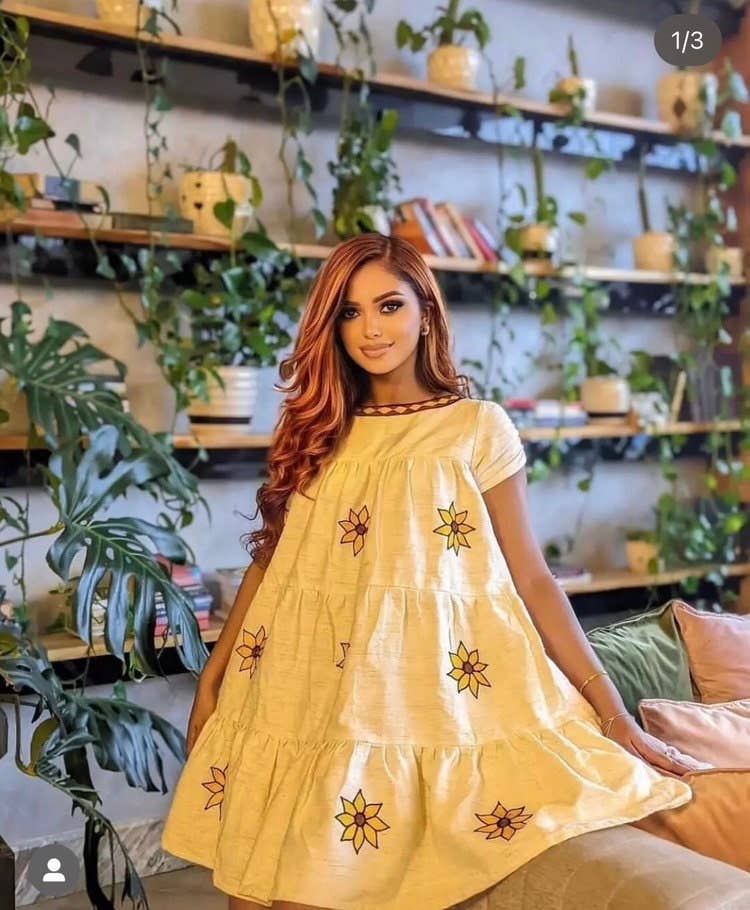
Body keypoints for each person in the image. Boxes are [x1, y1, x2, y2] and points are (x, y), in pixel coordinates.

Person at [161, 233, 706, 910]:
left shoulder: (476, 428)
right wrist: (212, 679)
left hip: (412, 694)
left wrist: (613, 712)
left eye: (389, 305)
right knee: (254, 886)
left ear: (426, 312)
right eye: (350, 312)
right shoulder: (318, 429)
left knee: (332, 883)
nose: (371, 329)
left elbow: (532, 576)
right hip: (293, 686)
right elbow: (271, 562)